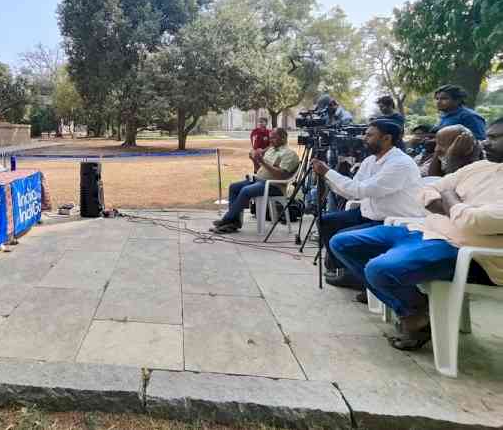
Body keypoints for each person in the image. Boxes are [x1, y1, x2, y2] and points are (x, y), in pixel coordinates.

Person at [329, 117, 503, 351]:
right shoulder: (482, 167)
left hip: (462, 249)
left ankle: (413, 315)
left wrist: (450, 198)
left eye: (493, 137)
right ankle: (416, 308)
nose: (485, 142)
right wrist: (455, 207)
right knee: (342, 242)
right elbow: (427, 188)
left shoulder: (401, 162)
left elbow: (473, 222)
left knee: (379, 270)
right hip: (425, 228)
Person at [311, 119, 424, 288]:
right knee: (326, 221)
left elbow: (361, 190)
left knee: (342, 236)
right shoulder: (371, 160)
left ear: (386, 138)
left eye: (370, 135)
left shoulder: (400, 164)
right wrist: (327, 177)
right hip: (369, 212)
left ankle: (364, 280)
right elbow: (351, 192)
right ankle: (348, 271)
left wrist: (329, 172)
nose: (364, 138)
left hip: (391, 219)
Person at [212, 128, 300, 233]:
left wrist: (262, 161)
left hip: (274, 186)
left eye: (274, 138)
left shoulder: (289, 154)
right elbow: (260, 170)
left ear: (283, 138)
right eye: (270, 138)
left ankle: (226, 220)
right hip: (259, 180)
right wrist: (254, 160)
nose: (270, 140)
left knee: (246, 190)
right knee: (234, 187)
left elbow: (281, 175)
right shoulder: (271, 150)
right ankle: (234, 223)